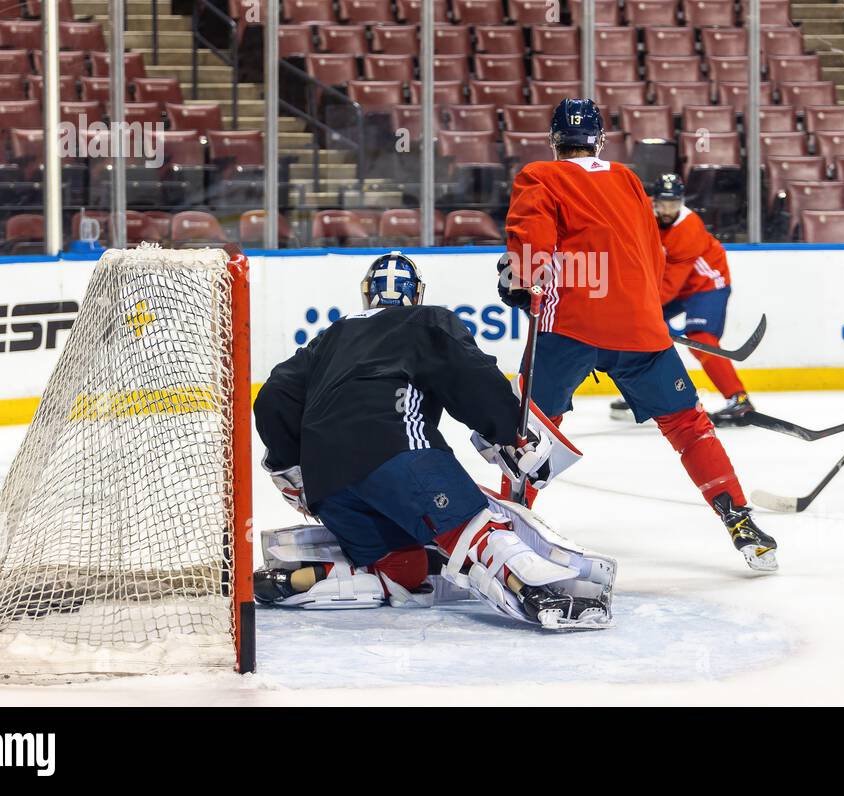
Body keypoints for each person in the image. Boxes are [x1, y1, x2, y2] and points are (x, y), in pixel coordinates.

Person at [251, 251, 613, 629]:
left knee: (404, 571)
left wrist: (289, 465)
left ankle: (305, 578)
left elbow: (272, 397)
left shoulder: (329, 336)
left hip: (327, 482)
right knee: (476, 529)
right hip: (396, 453)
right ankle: (538, 593)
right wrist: (510, 432)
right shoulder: (427, 320)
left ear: (366, 293)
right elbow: (470, 376)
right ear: (417, 293)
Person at [499, 98, 777, 572]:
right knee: (689, 426)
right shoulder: (626, 177)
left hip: (570, 326)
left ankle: (505, 530)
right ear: (600, 140)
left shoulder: (539, 176)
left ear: (554, 141)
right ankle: (742, 522)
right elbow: (652, 253)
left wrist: (519, 285)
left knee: (529, 429)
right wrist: (642, 307)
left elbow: (530, 248)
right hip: (641, 328)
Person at [610, 173, 755, 426]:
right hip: (674, 285)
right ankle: (641, 393)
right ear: (653, 201)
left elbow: (668, 288)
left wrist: (634, 306)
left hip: (706, 284)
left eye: (674, 204)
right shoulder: (643, 211)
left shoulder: (688, 228)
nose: (668, 210)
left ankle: (738, 399)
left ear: (682, 202)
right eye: (663, 203)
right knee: (633, 333)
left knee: (701, 338)